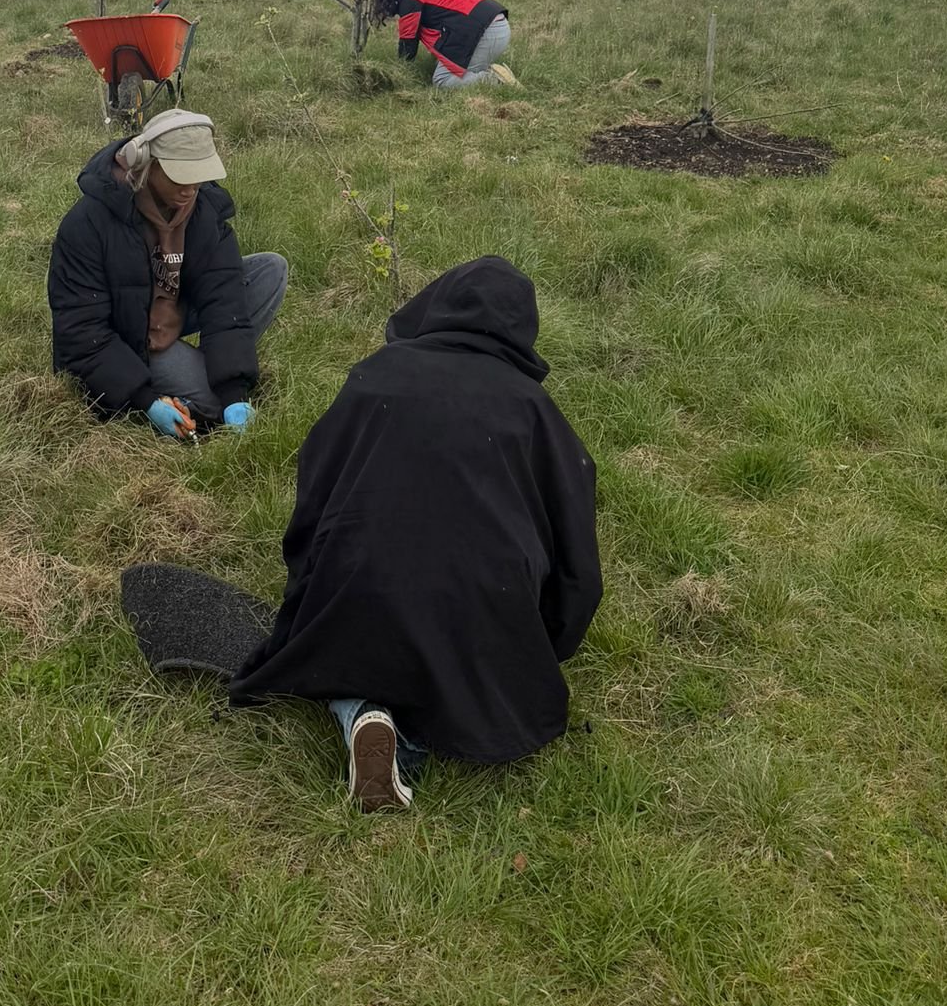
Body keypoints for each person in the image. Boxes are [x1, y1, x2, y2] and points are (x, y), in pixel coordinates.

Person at [230, 257, 601, 811]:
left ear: (437, 303)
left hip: (359, 587)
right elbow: (577, 563)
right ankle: (412, 728)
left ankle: (363, 713)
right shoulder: (536, 411)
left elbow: (313, 501)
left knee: (340, 652)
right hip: (485, 610)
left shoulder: (374, 374)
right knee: (470, 683)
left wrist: (307, 594)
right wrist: (543, 648)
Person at [47, 108, 287, 438]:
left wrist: (234, 390)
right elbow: (79, 329)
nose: (190, 188)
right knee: (211, 408)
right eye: (179, 176)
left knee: (270, 270)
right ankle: (166, 377)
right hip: (129, 336)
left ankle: (212, 367)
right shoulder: (88, 223)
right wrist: (144, 398)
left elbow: (223, 296)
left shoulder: (203, 209)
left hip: (171, 310)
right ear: (145, 164)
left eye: (198, 175)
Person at [371, 0, 516, 90]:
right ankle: (484, 72)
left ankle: (494, 80)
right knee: (445, 64)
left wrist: (398, 75)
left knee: (442, 80)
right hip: (498, 25)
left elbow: (408, 45)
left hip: (486, 34)